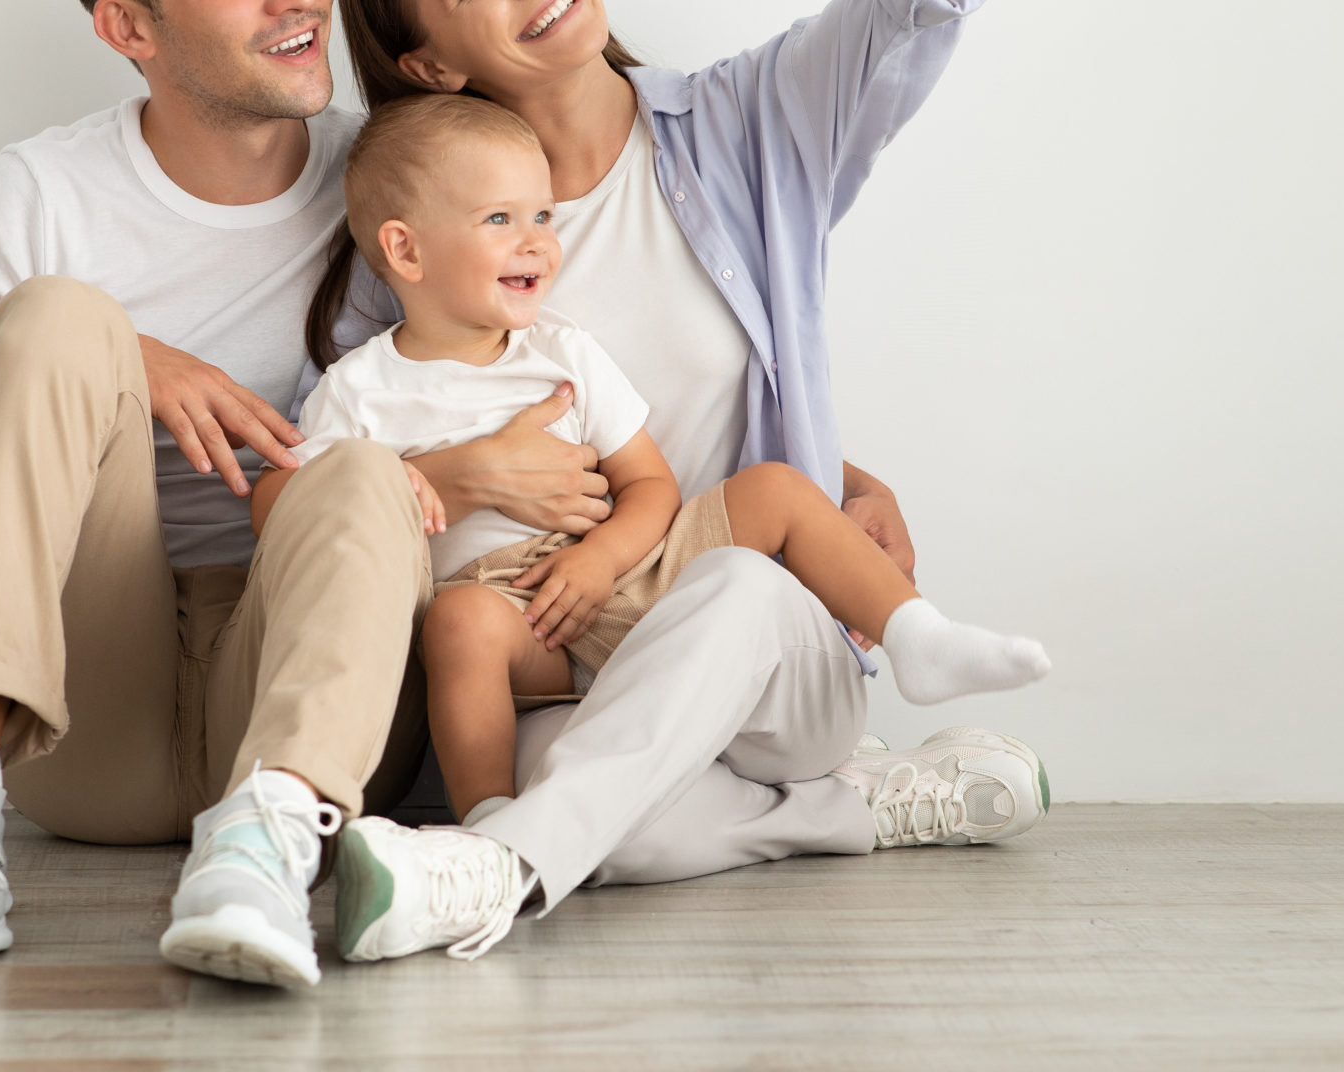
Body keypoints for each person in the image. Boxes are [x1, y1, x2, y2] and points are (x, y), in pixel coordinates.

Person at [281, 0, 1153, 966]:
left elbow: (891, 10)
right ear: (425, 59)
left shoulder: (743, 128)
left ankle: (496, 872)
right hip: (556, 673)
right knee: (614, 827)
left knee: (734, 586)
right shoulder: (408, 252)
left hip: (766, 642)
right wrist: (459, 482)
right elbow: (349, 512)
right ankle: (856, 808)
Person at [0, 0, 460, 988]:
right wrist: (126, 365)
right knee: (57, 317)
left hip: (310, 711)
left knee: (352, 469)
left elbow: (547, 361)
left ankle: (264, 848)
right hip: (80, 717)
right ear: (129, 26)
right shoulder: (41, 192)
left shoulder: (391, 176)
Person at [294, 93, 1051, 849]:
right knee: (459, 627)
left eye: (543, 217)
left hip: (631, 573)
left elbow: (651, 486)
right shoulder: (361, 391)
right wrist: (417, 481)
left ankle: (916, 633)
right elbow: (307, 514)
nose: (535, 243)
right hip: (513, 614)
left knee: (775, 489)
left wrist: (602, 559)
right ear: (406, 251)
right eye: (500, 220)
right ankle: (490, 834)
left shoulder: (564, 353)